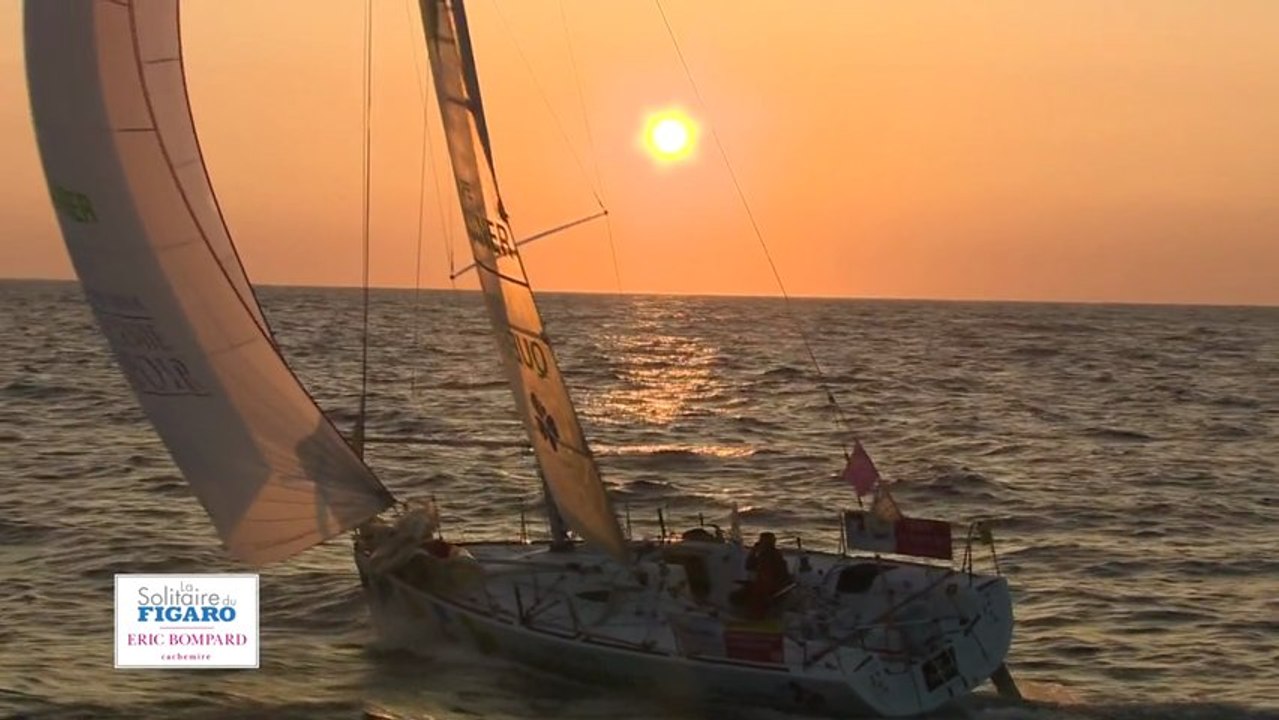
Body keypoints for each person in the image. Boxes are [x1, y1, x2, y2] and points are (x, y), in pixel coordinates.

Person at [741, 532, 791, 616]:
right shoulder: (764, 555)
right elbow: (749, 566)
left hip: (770, 589)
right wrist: (753, 552)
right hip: (765, 586)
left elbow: (773, 577)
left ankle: (756, 616)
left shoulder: (771, 556)